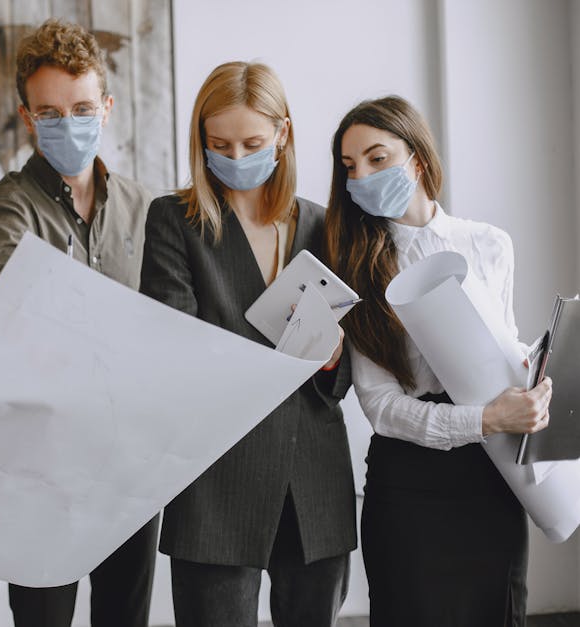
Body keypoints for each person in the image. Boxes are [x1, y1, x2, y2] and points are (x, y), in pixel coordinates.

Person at [139, 61, 355, 627]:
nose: (236, 158)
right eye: (220, 144)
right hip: (218, 478)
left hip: (314, 481)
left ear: (282, 133)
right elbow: (174, 348)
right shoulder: (174, 221)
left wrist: (333, 358)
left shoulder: (323, 224)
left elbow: (342, 374)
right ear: (201, 142)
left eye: (253, 143)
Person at [324, 95, 553, 627]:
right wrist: (487, 418)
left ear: (418, 159)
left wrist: (532, 380)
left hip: (493, 479)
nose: (361, 176)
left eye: (377, 159)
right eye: (350, 166)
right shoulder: (354, 265)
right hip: (409, 490)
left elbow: (504, 345)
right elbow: (381, 407)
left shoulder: (490, 244)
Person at [0, 18, 158, 627]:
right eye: (49, 112)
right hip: (41, 466)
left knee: (123, 617)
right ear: (27, 117)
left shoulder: (145, 208)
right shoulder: (5, 211)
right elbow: (22, 326)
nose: (67, 123)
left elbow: (166, 324)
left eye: (81, 108)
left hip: (130, 458)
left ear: (105, 107)